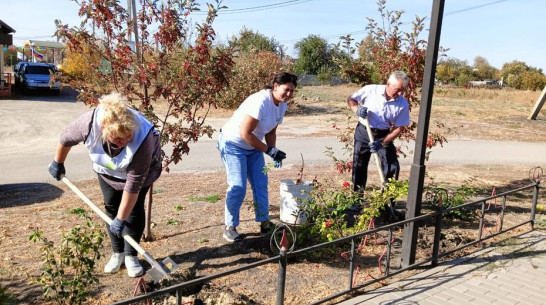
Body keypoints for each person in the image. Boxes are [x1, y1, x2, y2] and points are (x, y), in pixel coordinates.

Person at [48, 92, 162, 277]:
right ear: (104, 128)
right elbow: (65, 139)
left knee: (132, 212)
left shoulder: (143, 139)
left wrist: (121, 218)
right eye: (118, 139)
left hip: (140, 174)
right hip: (107, 172)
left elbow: (132, 186)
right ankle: (117, 253)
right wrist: (58, 162)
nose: (124, 141)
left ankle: (131, 256)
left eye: (128, 137)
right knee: (111, 208)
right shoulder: (89, 124)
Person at [217, 72, 297, 242]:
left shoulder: (282, 105)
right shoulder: (260, 101)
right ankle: (229, 227)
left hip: (253, 147)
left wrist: (273, 150)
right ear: (276, 86)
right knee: (238, 186)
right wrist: (268, 150)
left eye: (292, 91)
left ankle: (264, 223)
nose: (289, 94)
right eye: (286, 89)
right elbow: (245, 133)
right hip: (233, 144)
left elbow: (271, 131)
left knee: (261, 185)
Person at [347, 71, 410, 220]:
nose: (399, 93)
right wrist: (357, 110)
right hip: (364, 131)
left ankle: (386, 205)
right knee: (359, 166)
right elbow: (351, 99)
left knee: (392, 167)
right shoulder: (371, 90)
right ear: (388, 84)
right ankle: (356, 202)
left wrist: (382, 142)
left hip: (383, 135)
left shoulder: (402, 104)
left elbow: (399, 128)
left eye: (402, 90)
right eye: (397, 90)